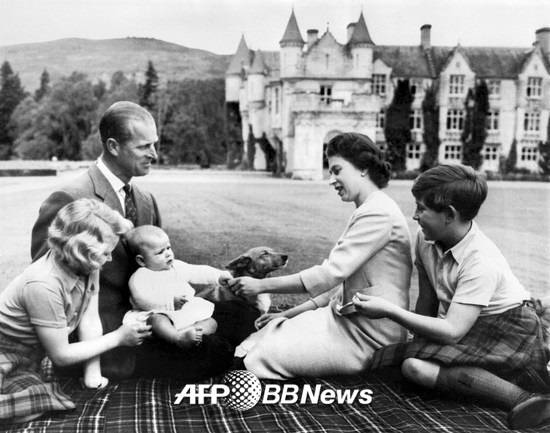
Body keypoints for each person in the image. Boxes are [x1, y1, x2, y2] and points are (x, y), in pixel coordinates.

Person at [30, 101, 258, 380]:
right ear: (113, 146)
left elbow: (161, 269)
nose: (154, 154)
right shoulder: (70, 199)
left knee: (243, 313)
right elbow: (45, 285)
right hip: (107, 336)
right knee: (214, 352)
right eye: (144, 147)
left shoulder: (144, 200)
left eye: (154, 144)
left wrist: (181, 305)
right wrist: (101, 341)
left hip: (157, 316)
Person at [354, 164, 550, 430]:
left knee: (414, 366)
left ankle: (525, 398)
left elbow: (452, 332)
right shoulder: (425, 239)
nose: (414, 215)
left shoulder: (481, 260)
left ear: (449, 214)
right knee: (405, 364)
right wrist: (420, 344)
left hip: (509, 327)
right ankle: (505, 384)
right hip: (467, 324)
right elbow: (427, 300)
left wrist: (390, 310)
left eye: (421, 208)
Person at [227, 132, 413, 379]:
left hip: (369, 337)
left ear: (363, 169)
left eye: (337, 171)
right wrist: (287, 314)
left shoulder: (378, 213)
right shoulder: (369, 208)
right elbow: (337, 286)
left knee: (258, 358)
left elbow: (329, 275)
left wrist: (260, 285)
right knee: (266, 333)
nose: (331, 180)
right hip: (343, 321)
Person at [0, 199, 150, 423]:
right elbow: (61, 356)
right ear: (79, 251)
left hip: (31, 357)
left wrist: (92, 374)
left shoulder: (88, 264)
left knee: (41, 398)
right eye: (106, 253)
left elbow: (89, 320)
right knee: (37, 402)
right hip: (6, 351)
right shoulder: (43, 284)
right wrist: (119, 337)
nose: (109, 258)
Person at [125, 225, 230, 348]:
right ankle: (177, 338)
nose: (168, 254)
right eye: (160, 252)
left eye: (168, 248)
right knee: (156, 321)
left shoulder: (177, 266)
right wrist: (170, 302)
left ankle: (193, 333)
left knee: (211, 322)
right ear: (141, 261)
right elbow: (141, 299)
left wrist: (218, 276)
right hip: (159, 312)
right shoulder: (141, 276)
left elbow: (197, 271)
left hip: (183, 311)